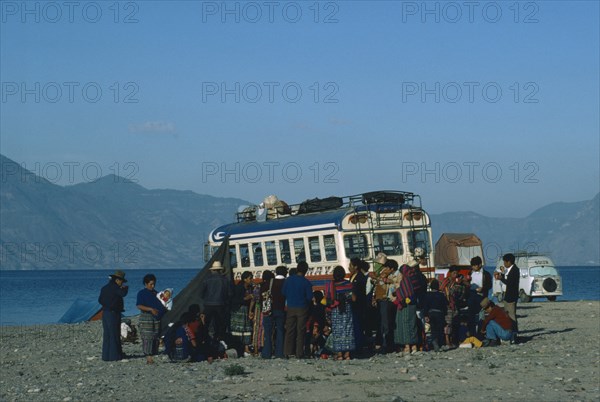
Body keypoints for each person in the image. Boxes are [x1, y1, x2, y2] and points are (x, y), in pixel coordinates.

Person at [282, 261, 314, 358]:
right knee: (301, 331)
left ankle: (287, 352)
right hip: (302, 308)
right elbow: (309, 297)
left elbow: (283, 292)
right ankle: (299, 353)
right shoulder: (306, 282)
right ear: (306, 270)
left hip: (290, 307)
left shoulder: (288, 280)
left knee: (289, 330)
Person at [326, 265, 356, 360]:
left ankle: (339, 354)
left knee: (337, 331)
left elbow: (327, 299)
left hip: (336, 310)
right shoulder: (349, 284)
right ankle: (347, 354)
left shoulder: (330, 285)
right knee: (348, 330)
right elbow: (354, 298)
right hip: (347, 310)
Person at [136, 273, 168, 364]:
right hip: (146, 318)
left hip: (156, 318)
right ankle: (148, 357)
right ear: (146, 284)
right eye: (151, 284)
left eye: (154, 284)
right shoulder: (141, 293)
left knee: (155, 336)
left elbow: (162, 304)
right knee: (147, 337)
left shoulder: (157, 293)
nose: (152, 286)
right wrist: (150, 309)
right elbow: (139, 305)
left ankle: (153, 354)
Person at [98, 270, 129, 361]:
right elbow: (123, 294)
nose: (122, 283)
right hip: (113, 313)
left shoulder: (104, 288)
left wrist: (107, 305)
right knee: (114, 334)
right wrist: (125, 288)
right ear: (117, 280)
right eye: (121, 281)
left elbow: (100, 300)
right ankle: (114, 356)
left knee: (107, 334)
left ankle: (106, 356)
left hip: (105, 312)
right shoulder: (116, 288)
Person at [199, 261, 232, 341]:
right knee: (220, 324)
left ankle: (205, 339)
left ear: (212, 270)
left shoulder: (207, 279)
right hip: (221, 304)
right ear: (220, 270)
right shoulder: (225, 280)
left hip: (208, 305)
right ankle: (218, 340)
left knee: (206, 324)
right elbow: (230, 293)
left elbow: (201, 294)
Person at [261, 265, 287, 359]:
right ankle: (279, 353)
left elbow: (262, 295)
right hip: (281, 309)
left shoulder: (269, 282)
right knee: (280, 330)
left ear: (276, 272)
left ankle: (266, 353)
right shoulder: (286, 282)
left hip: (269, 310)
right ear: (285, 273)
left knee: (268, 332)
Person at [495, 253, 520, 336]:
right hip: (509, 295)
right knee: (509, 314)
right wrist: (502, 275)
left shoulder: (515, 270)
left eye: (505, 262)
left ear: (509, 262)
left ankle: (514, 332)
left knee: (512, 315)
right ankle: (512, 331)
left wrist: (501, 278)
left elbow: (510, 283)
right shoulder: (512, 270)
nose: (504, 264)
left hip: (511, 296)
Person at [230, 271, 254, 356]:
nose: (252, 279)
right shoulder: (239, 288)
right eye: (250, 278)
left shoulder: (250, 288)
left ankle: (246, 348)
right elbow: (235, 300)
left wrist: (251, 310)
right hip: (238, 310)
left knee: (247, 329)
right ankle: (239, 347)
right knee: (239, 329)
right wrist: (246, 298)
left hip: (245, 310)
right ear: (245, 279)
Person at [422, 279, 447, 352]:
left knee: (433, 329)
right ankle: (440, 344)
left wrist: (425, 315)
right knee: (440, 330)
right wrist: (445, 314)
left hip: (431, 314)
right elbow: (445, 305)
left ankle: (434, 343)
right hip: (440, 314)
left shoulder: (427, 295)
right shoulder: (441, 295)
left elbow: (425, 306)